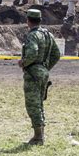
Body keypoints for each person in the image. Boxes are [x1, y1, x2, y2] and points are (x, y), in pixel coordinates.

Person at [18, 9, 61, 145]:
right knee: (39, 103)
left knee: (33, 105)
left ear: (28, 20)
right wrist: (45, 67)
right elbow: (57, 54)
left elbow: (32, 53)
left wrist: (23, 62)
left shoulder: (33, 35)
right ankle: (40, 134)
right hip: (43, 72)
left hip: (33, 73)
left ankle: (38, 137)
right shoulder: (48, 35)